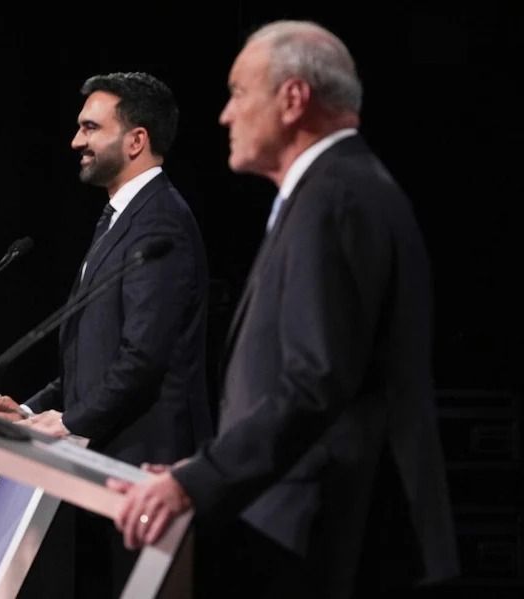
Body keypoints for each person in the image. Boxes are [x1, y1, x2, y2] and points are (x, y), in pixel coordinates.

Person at [109, 21, 459, 598]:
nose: (226, 114)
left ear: (293, 99)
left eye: (240, 92)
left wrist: (197, 481)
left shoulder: (336, 196)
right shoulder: (331, 189)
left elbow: (314, 383)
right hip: (311, 527)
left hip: (338, 539)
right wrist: (198, 470)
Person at [0, 72, 210, 597]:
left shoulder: (160, 223)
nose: (76, 141)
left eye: (90, 127)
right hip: (106, 461)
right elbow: (92, 355)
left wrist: (71, 421)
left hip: (149, 467)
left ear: (136, 140)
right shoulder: (119, 218)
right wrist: (31, 412)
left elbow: (143, 357)